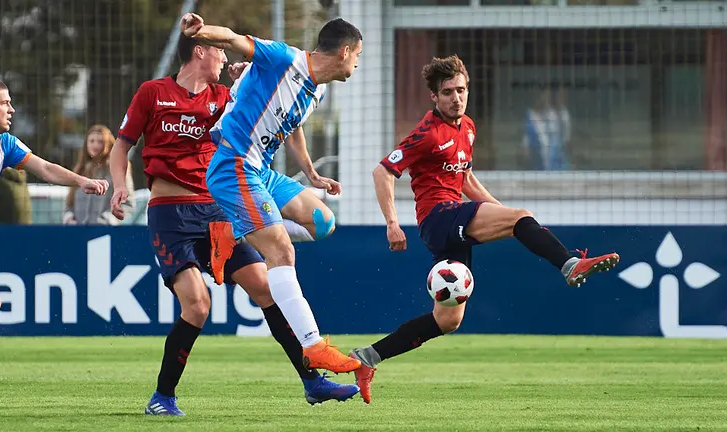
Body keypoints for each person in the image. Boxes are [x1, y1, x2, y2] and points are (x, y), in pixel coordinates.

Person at [109, 29, 357, 417]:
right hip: (170, 213)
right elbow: (122, 142)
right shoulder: (152, 92)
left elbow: (271, 110)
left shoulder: (224, 97)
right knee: (197, 305)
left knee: (267, 289)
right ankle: (163, 396)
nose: (224, 60)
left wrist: (308, 171)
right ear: (199, 51)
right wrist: (118, 185)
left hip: (217, 209)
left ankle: (312, 381)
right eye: (219, 54)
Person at [348, 55, 620, 404]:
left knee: (448, 320)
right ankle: (569, 264)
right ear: (434, 97)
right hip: (438, 217)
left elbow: (467, 180)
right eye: (447, 92)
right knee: (520, 216)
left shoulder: (469, 128)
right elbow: (382, 172)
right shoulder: (426, 134)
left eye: (461, 90)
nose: (456, 98)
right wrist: (391, 223)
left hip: (453, 220)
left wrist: (509, 217)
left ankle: (367, 357)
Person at [182, 14, 363, 374]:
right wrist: (200, 31)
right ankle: (313, 346)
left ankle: (230, 233)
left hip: (260, 171)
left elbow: (291, 126)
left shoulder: (319, 89)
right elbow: (233, 39)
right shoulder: (285, 58)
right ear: (344, 52)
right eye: (358, 54)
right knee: (281, 248)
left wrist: (311, 172)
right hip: (233, 164)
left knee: (323, 221)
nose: (358, 61)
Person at [0, 77, 108, 322]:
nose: (11, 110)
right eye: (4, 103)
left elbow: (46, 168)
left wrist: (82, 181)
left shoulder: (4, 145)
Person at [64, 124, 135, 225]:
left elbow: (128, 203)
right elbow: (69, 202)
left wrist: (109, 219)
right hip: (79, 231)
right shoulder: (80, 169)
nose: (95, 145)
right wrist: (69, 218)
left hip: (106, 232)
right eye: (92, 141)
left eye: (100, 141)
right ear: (86, 144)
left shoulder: (117, 168)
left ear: (108, 144)